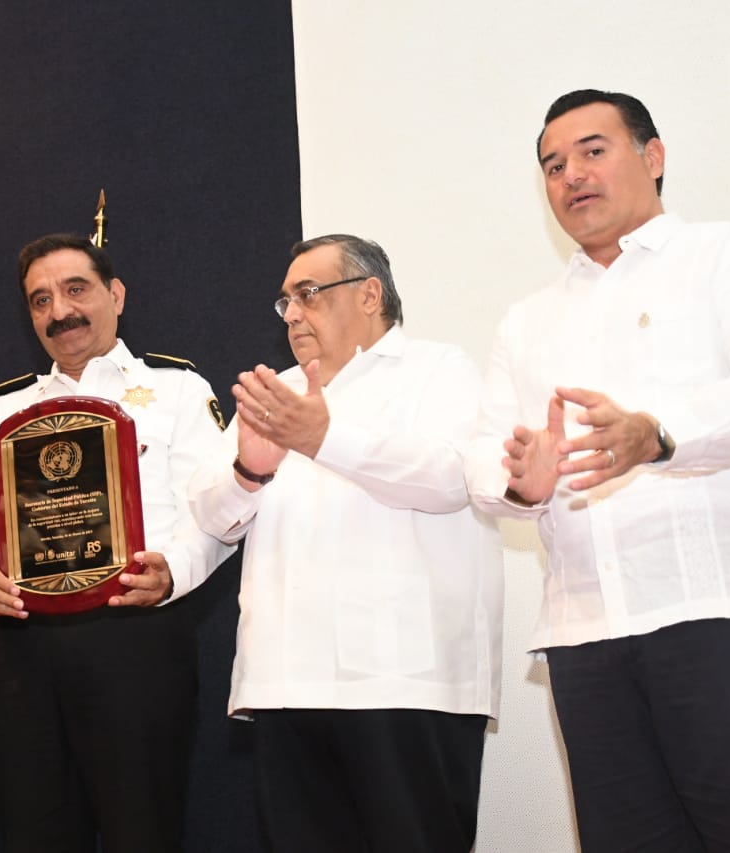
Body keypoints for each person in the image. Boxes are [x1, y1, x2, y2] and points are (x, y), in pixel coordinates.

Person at [466, 89, 730, 851]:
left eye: (593, 151)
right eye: (552, 164)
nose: (571, 174)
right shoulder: (526, 318)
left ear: (654, 156)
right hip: (588, 636)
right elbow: (484, 448)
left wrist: (659, 433)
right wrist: (518, 483)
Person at [188, 234, 503, 853]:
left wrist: (324, 438)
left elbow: (451, 478)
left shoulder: (439, 369)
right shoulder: (273, 393)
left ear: (369, 294)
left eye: (308, 294)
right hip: (285, 686)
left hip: (407, 683)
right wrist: (250, 471)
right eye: (285, 303)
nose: (293, 315)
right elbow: (209, 513)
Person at [0, 233, 232, 853]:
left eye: (76, 290)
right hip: (22, 651)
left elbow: (215, 511)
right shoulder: (6, 409)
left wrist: (174, 572)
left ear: (116, 295)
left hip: (134, 635)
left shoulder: (178, 389)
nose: (59, 311)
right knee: (33, 834)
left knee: (142, 833)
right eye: (40, 300)